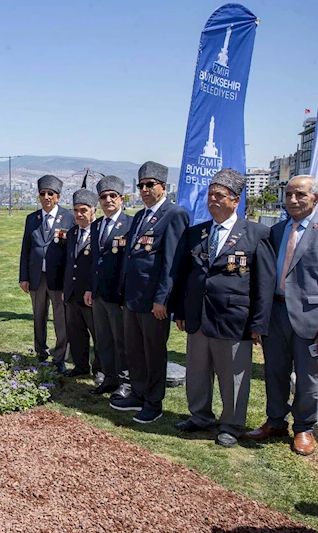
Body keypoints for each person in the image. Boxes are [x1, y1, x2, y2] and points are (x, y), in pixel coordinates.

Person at [173, 169, 275, 448]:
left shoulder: (256, 233)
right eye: (210, 195)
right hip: (197, 315)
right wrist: (180, 310)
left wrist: (258, 324)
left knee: (233, 376)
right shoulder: (197, 232)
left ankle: (231, 424)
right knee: (197, 370)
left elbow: (264, 284)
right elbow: (184, 275)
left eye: (220, 196)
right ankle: (200, 415)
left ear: (236, 200)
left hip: (234, 318)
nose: (213, 200)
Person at [111, 161, 189, 424]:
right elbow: (131, 258)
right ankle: (139, 392)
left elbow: (171, 263)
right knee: (134, 350)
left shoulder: (173, 214)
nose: (144, 189)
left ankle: (154, 402)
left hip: (153, 300)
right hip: (132, 297)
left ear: (163, 187)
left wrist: (162, 299)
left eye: (149, 185)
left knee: (153, 353)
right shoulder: (140, 216)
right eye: (141, 185)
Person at [245, 175, 318, 455]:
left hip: (310, 316)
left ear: (314, 198)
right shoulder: (276, 231)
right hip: (275, 312)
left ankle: (304, 428)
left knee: (308, 378)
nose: (292, 200)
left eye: (300, 195)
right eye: (288, 195)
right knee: (275, 372)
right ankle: (275, 421)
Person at [19, 175, 74, 373]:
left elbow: (72, 253)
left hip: (58, 279)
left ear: (58, 197)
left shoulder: (69, 217)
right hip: (37, 277)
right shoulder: (32, 219)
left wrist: (69, 282)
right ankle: (41, 351)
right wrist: (23, 277)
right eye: (42, 193)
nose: (46, 197)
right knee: (39, 316)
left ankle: (59, 357)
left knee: (61, 320)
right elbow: (26, 249)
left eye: (50, 194)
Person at [84, 176, 131, 397]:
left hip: (117, 294)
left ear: (121, 199)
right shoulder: (96, 226)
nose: (108, 200)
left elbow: (129, 263)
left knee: (121, 340)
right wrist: (89, 288)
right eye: (103, 197)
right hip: (99, 293)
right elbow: (93, 261)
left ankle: (125, 381)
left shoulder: (130, 224)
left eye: (113, 196)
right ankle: (109, 378)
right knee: (103, 339)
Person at [62, 189, 101, 381]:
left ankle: (100, 369)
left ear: (94, 210)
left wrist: (91, 289)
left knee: (98, 334)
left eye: (84, 210)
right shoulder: (72, 233)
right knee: (76, 333)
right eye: (76, 210)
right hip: (72, 292)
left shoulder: (100, 231)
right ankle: (80, 365)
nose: (79, 214)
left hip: (91, 293)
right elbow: (69, 263)